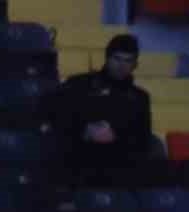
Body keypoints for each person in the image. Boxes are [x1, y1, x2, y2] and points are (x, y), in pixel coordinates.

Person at [46, 34, 153, 185]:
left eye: (128, 61)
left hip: (118, 168)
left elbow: (142, 141)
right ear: (107, 58)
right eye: (117, 59)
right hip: (77, 161)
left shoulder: (140, 98)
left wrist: (115, 136)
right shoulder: (79, 84)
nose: (122, 65)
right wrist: (84, 130)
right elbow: (52, 115)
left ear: (135, 64)